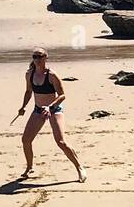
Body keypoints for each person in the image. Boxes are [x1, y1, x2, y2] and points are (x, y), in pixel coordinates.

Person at [17, 47, 85, 182]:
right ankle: (30, 167)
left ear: (46, 58)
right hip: (38, 110)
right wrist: (23, 106)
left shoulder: (52, 75)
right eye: (34, 56)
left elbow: (62, 95)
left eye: (40, 56)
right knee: (26, 140)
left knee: (61, 142)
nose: (37, 59)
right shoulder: (29, 74)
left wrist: (50, 106)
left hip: (54, 110)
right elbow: (28, 91)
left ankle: (79, 168)